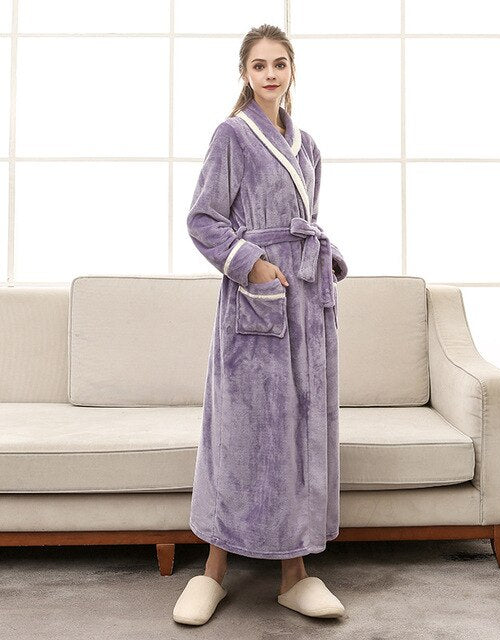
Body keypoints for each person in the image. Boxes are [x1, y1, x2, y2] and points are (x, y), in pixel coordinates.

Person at [173, 23, 349, 626]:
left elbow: (307, 219)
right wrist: (256, 265)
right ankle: (212, 571)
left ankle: (295, 575)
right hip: (258, 302)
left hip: (307, 305)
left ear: (292, 70)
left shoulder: (308, 145)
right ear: (245, 74)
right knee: (243, 431)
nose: (270, 74)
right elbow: (203, 220)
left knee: (301, 430)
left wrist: (324, 258)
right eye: (259, 65)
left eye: (279, 64)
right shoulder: (232, 135)